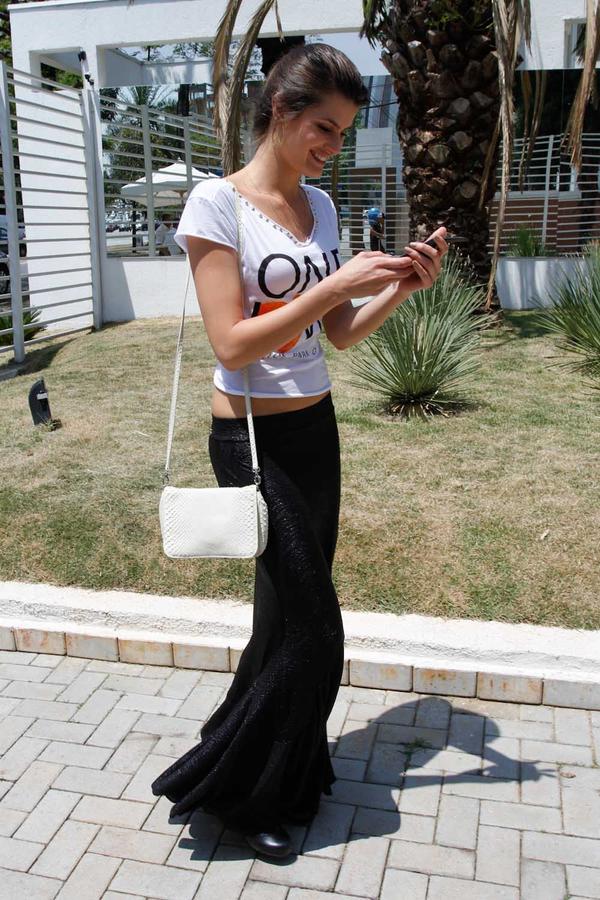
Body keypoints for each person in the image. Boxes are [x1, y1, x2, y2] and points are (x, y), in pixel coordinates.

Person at [151, 42, 447, 859]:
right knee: (315, 628)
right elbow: (231, 342)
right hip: (250, 439)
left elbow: (338, 334)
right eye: (324, 127)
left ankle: (272, 765)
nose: (333, 146)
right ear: (281, 112)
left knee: (282, 619)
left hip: (317, 433)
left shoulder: (320, 207)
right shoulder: (216, 204)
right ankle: (237, 795)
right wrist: (335, 284)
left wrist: (399, 287)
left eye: (343, 132)